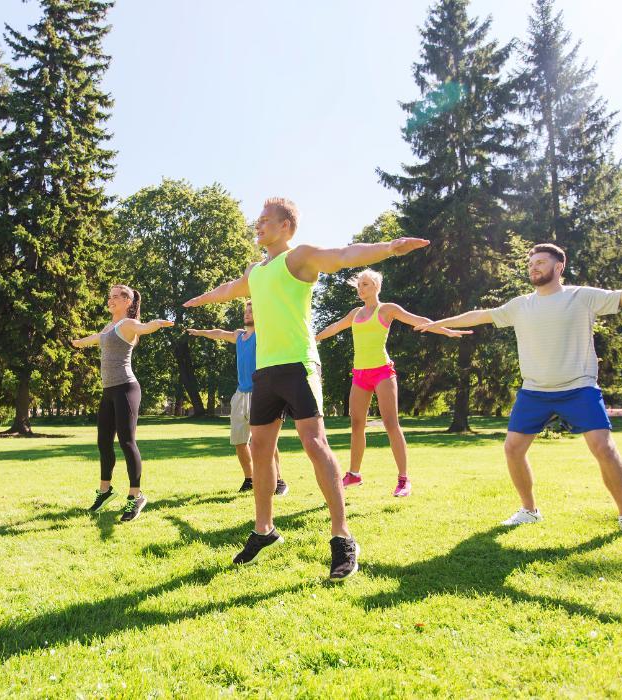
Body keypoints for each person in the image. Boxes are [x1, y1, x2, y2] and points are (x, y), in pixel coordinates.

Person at [417, 243, 622, 539]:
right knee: (513, 449)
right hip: (534, 391)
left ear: (559, 267)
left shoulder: (582, 296)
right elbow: (481, 315)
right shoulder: (520, 305)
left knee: (603, 448)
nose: (534, 268)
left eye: (541, 263)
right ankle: (529, 511)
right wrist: (438, 323)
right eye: (531, 264)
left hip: (579, 388)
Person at [185, 197, 430, 580]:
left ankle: (342, 536)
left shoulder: (298, 258)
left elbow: (345, 254)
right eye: (258, 219)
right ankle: (263, 530)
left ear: (286, 226)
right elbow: (231, 288)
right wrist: (203, 298)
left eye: (265, 220)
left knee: (315, 444)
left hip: (299, 364)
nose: (258, 225)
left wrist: (389, 247)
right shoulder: (256, 271)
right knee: (259, 448)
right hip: (266, 370)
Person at [315, 269, 470, 496]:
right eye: (359, 285)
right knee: (357, 424)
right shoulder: (355, 313)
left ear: (376, 286)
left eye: (365, 284)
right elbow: (334, 327)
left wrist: (445, 330)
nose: (361, 288)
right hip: (360, 374)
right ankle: (354, 474)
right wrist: (313, 338)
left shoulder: (387, 309)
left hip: (382, 372)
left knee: (390, 423)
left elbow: (419, 321)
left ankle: (403, 479)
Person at [73, 285, 174, 522]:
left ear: (128, 301)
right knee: (103, 442)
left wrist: (155, 324)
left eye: (117, 296)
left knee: (127, 441)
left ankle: (135, 495)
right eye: (110, 296)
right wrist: (77, 342)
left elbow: (143, 327)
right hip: (109, 391)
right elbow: (96, 338)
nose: (111, 299)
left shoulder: (128, 324)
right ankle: (105, 490)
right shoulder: (109, 327)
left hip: (126, 388)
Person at [187, 299, 288, 496]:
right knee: (240, 441)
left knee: (266, 441)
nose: (247, 313)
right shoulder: (239, 336)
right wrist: (200, 332)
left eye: (252, 310)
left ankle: (279, 480)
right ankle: (249, 479)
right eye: (246, 310)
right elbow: (219, 333)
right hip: (240, 395)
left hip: (261, 393)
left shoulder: (263, 335)